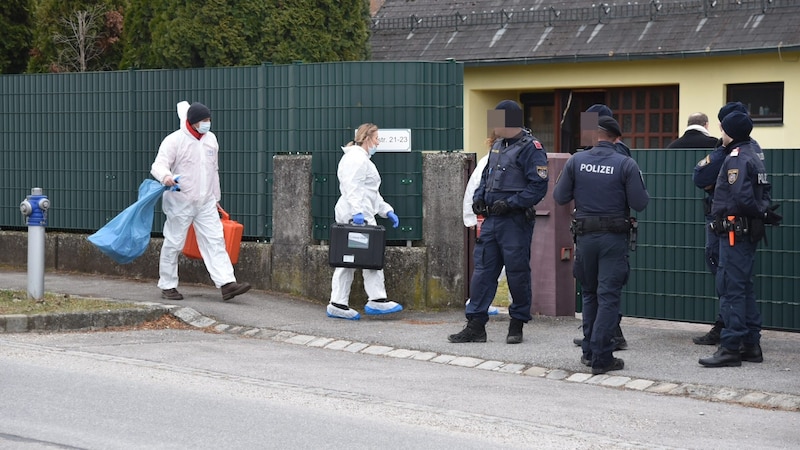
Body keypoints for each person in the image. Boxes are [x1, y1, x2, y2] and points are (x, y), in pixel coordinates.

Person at [553, 115, 649, 375]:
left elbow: (559, 196)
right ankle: (602, 357)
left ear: (595, 136)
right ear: (616, 138)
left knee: (590, 294)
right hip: (613, 240)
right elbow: (640, 203)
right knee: (608, 297)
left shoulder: (576, 161)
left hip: (585, 238)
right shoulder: (626, 164)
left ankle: (588, 351)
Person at [448, 100, 549, 344]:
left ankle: (517, 323)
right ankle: (475, 324)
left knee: (517, 273)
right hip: (492, 220)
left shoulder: (531, 148)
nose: (492, 128)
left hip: (515, 222)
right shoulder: (497, 147)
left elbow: (538, 186)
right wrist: (479, 199)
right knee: (483, 272)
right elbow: (486, 178)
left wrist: (512, 203)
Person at [698, 111, 781, 367]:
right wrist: (763, 212)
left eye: (723, 130)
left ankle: (731, 348)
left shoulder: (736, 158)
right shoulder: (754, 153)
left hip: (734, 232)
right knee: (744, 288)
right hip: (745, 232)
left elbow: (742, 198)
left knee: (731, 289)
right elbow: (762, 193)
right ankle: (751, 345)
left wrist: (757, 212)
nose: (720, 134)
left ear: (729, 132)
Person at [151, 101, 251, 302]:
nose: (208, 124)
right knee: (174, 243)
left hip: (205, 201)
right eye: (204, 120)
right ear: (193, 122)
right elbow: (159, 165)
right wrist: (166, 177)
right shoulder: (174, 141)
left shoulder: (210, 140)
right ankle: (168, 285)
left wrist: (215, 198)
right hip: (180, 200)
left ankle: (227, 283)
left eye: (209, 120)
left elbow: (213, 170)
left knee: (215, 240)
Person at [690, 102, 761, 345]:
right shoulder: (750, 150)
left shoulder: (736, 153)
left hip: (729, 226)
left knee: (729, 282)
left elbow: (702, 178)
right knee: (738, 283)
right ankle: (746, 339)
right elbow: (702, 179)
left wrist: (716, 183)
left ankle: (731, 337)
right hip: (736, 225)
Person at [327, 123, 403, 320]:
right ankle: (353, 302)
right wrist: (357, 213)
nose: (378, 142)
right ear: (367, 137)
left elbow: (371, 193)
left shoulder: (362, 159)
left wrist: (387, 211)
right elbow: (351, 187)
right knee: (355, 258)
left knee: (361, 257)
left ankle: (359, 301)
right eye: (377, 138)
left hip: (358, 215)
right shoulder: (356, 158)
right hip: (355, 217)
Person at [572, 104, 629, 350]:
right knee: (595, 288)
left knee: (602, 290)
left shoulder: (619, 152)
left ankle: (605, 338)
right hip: (593, 229)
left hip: (606, 230)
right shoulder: (588, 152)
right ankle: (596, 337)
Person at [461, 133, 502, 316]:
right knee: (489, 263)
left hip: (487, 218)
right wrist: (470, 217)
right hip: (488, 218)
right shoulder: (489, 161)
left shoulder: (490, 159)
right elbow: (474, 189)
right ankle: (479, 301)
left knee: (490, 263)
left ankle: (481, 301)